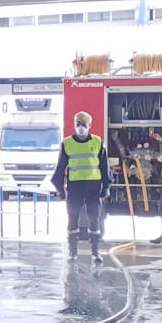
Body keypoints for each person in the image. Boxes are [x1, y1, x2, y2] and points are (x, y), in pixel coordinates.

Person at [52, 111, 111, 265]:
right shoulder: (67, 143)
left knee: (94, 219)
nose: (80, 128)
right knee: (73, 219)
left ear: (89, 126)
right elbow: (60, 168)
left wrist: (106, 186)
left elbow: (105, 167)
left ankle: (95, 252)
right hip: (75, 187)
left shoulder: (98, 142)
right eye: (77, 124)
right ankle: (72, 253)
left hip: (93, 187)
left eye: (83, 125)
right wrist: (60, 189)